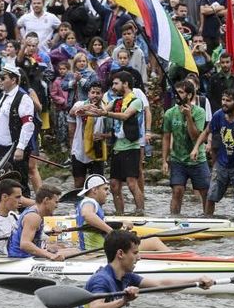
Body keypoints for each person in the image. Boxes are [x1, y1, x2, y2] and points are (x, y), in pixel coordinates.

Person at [76, 230, 213, 308]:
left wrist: (196, 281)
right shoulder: (101, 280)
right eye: (135, 253)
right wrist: (124, 300)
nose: (139, 257)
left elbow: (161, 285)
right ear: (120, 254)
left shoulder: (127, 276)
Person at [191, 90, 234, 219]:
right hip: (221, 162)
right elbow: (206, 132)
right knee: (211, 196)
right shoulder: (218, 115)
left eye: (228, 101)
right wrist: (195, 148)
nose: (224, 103)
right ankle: (207, 220)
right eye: (223, 100)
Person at [84, 72, 145, 215]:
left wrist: (105, 114)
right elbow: (101, 111)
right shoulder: (116, 101)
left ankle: (140, 212)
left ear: (126, 84)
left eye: (116, 83)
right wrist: (84, 110)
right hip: (118, 148)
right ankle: (119, 214)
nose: (113, 87)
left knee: (131, 183)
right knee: (114, 185)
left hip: (131, 147)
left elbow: (125, 116)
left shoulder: (136, 101)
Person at [75, 174, 168, 252]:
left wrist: (121, 225)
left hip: (95, 249)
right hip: (101, 251)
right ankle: (179, 262)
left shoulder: (83, 203)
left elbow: (96, 224)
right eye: (105, 189)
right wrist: (112, 232)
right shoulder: (90, 202)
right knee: (154, 242)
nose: (108, 193)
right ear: (94, 190)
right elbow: (87, 214)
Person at [161, 80, 209, 215]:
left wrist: (188, 117)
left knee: (205, 192)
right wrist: (164, 160)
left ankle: (208, 218)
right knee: (177, 191)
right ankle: (174, 218)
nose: (176, 95)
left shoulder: (199, 112)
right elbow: (166, 137)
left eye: (180, 92)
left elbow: (195, 136)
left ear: (189, 95)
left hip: (197, 159)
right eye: (175, 92)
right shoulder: (169, 113)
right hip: (177, 159)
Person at [0, 65, 35, 194]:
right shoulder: (4, 96)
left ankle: (25, 211)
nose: (0, 80)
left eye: (3, 78)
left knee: (19, 183)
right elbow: (3, 120)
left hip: (13, 148)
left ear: (14, 80)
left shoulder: (23, 98)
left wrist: (21, 147)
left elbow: (28, 124)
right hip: (0, 147)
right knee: (3, 183)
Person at [7, 184, 67, 260]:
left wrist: (48, 246)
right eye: (56, 202)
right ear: (46, 200)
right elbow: (24, 244)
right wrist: (49, 255)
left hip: (24, 255)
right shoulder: (33, 217)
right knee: (74, 252)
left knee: (68, 249)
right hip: (21, 258)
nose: (57, 206)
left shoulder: (34, 211)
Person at [68, 83, 108, 188]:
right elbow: (72, 112)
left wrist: (103, 135)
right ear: (88, 94)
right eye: (93, 92)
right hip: (79, 149)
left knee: (97, 185)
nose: (95, 95)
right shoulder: (80, 104)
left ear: (102, 94)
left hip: (97, 149)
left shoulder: (106, 108)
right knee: (78, 183)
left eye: (98, 93)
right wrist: (84, 108)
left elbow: (113, 131)